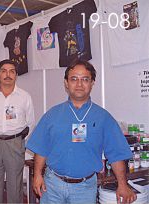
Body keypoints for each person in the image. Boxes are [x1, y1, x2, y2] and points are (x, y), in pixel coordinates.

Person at [26, 59, 137, 204]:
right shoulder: (52, 115)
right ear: (66, 83)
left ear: (92, 83)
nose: (79, 84)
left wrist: (123, 185)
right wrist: (37, 175)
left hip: (85, 188)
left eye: (85, 79)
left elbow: (117, 154)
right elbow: (41, 147)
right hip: (52, 185)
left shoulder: (104, 118)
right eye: (74, 79)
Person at [0, 59, 35, 203]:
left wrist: (18, 141)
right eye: (4, 71)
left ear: (16, 75)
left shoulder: (25, 97)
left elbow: (30, 122)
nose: (8, 74)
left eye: (12, 71)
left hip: (15, 143)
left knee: (15, 184)